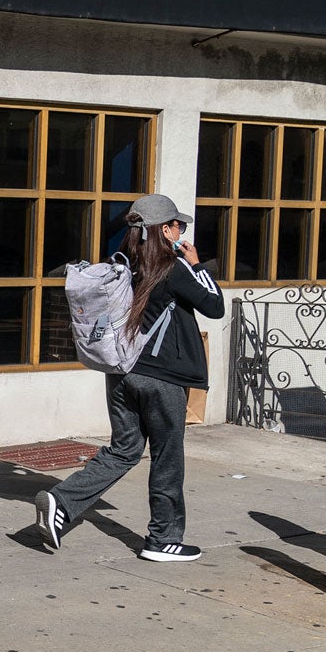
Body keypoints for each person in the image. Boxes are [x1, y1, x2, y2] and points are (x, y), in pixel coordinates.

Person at [35, 193, 225, 563]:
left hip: (121, 373)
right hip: (162, 378)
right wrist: (197, 264)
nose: (182, 230)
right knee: (168, 456)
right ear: (165, 230)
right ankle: (163, 539)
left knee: (123, 450)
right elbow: (214, 306)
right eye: (178, 225)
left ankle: (62, 500)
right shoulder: (174, 268)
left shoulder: (120, 266)